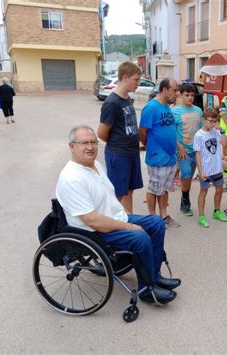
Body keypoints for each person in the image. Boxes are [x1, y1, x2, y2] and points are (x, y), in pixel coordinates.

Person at [55, 125, 181, 304]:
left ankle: (154, 275)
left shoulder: (95, 165)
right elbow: (93, 221)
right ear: (72, 146)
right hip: (94, 232)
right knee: (140, 236)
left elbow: (108, 198)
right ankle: (147, 289)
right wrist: (130, 226)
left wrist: (125, 215)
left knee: (156, 222)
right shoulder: (72, 178)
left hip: (112, 219)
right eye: (84, 143)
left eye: (93, 142)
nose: (90, 147)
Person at [97, 62, 143, 214]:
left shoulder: (127, 99)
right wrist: (119, 143)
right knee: (117, 193)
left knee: (129, 190)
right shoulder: (112, 103)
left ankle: (129, 220)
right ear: (125, 77)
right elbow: (102, 134)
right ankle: (113, 224)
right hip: (119, 154)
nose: (139, 83)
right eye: (136, 79)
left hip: (132, 153)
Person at [140, 78, 181, 228]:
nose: (177, 94)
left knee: (163, 189)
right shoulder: (151, 108)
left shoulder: (166, 107)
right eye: (174, 90)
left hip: (170, 157)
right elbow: (142, 131)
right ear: (164, 90)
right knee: (154, 188)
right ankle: (152, 218)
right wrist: (150, 146)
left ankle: (163, 216)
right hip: (157, 157)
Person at [172, 83, 203, 216]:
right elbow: (171, 133)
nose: (190, 98)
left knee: (189, 177)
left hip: (196, 151)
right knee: (185, 174)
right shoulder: (174, 112)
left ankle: (185, 194)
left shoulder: (198, 111)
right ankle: (185, 199)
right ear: (181, 95)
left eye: (192, 95)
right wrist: (180, 148)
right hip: (182, 151)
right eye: (187, 95)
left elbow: (201, 130)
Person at [193, 109, 227, 228]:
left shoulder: (216, 132)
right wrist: (200, 171)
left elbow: (224, 144)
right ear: (203, 120)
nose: (213, 123)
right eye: (210, 121)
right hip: (206, 169)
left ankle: (216, 211)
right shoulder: (199, 135)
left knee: (219, 190)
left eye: (215, 121)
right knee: (204, 191)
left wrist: (222, 131)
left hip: (217, 168)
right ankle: (201, 216)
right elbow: (197, 154)